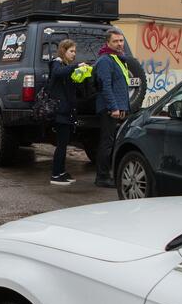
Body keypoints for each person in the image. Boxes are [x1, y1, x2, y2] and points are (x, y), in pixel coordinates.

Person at [93, 29, 131, 188]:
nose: (119, 44)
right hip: (109, 109)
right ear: (107, 43)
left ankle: (108, 174)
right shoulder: (105, 61)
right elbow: (105, 87)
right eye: (115, 41)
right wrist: (114, 107)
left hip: (118, 107)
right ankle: (102, 177)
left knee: (113, 142)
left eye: (121, 41)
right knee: (107, 143)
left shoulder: (118, 59)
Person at [48, 40, 88, 186]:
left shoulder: (65, 66)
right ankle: (55, 175)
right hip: (59, 112)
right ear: (63, 51)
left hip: (67, 112)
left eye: (75, 51)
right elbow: (58, 73)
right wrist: (76, 66)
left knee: (64, 143)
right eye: (71, 51)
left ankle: (61, 171)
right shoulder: (56, 63)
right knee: (61, 144)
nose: (74, 54)